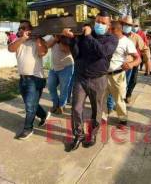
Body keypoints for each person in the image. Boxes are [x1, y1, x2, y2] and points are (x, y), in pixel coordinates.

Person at [62, 11, 118, 151]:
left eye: (103, 23)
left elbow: (102, 52)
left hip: (98, 79)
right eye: (97, 21)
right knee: (76, 107)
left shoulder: (112, 39)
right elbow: (76, 54)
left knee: (97, 109)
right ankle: (78, 135)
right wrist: (72, 39)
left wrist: (88, 37)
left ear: (109, 25)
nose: (99, 24)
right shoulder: (85, 34)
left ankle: (92, 134)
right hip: (80, 77)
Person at [8, 20, 50, 140]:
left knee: (30, 106)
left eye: (24, 27)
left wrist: (37, 37)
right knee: (31, 104)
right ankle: (44, 115)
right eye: (20, 27)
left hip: (35, 78)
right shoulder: (18, 41)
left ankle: (28, 129)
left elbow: (42, 52)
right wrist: (22, 39)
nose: (21, 29)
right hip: (23, 79)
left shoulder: (39, 41)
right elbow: (11, 49)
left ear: (31, 29)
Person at [104, 21, 141, 127]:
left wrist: (131, 64)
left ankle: (123, 120)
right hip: (103, 75)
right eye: (109, 29)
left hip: (118, 75)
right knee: (101, 98)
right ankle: (103, 117)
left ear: (119, 30)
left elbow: (137, 58)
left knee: (119, 100)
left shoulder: (127, 42)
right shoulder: (107, 39)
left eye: (112, 30)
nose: (109, 31)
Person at [120, 16, 151, 103]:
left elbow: (145, 48)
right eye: (125, 24)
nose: (127, 26)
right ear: (121, 24)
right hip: (115, 66)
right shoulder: (116, 34)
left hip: (130, 65)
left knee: (130, 82)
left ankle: (127, 95)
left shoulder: (136, 37)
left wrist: (148, 60)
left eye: (129, 25)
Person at [46, 35, 74, 114]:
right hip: (54, 67)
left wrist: (59, 40)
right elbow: (47, 46)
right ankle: (55, 104)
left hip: (66, 67)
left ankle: (61, 106)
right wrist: (55, 39)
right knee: (50, 86)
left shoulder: (68, 37)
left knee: (64, 88)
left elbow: (66, 50)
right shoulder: (53, 37)